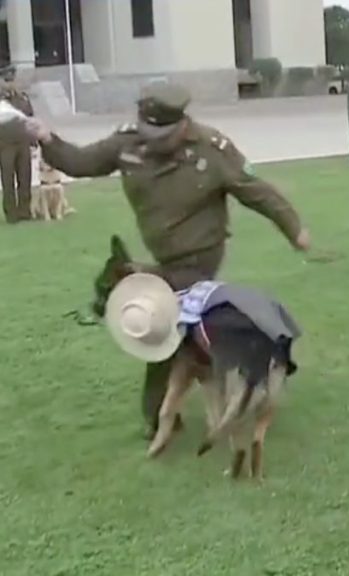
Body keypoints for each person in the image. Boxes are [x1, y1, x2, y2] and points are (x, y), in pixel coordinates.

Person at [25, 81, 312, 437]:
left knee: (159, 325)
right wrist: (48, 139)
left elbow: (257, 192)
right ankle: (206, 389)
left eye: (162, 135)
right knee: (176, 329)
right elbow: (83, 163)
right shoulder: (127, 141)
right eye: (148, 132)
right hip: (163, 255)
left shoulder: (212, 149)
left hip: (199, 256)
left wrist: (294, 229)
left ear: (182, 125)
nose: (153, 141)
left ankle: (160, 416)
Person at [0, 65, 34, 224]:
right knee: (8, 180)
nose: (11, 83)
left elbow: (30, 118)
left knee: (25, 177)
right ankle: (11, 214)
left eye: (12, 80)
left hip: (23, 143)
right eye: (7, 80)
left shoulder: (23, 98)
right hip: (5, 145)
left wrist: (34, 140)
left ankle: (24, 211)